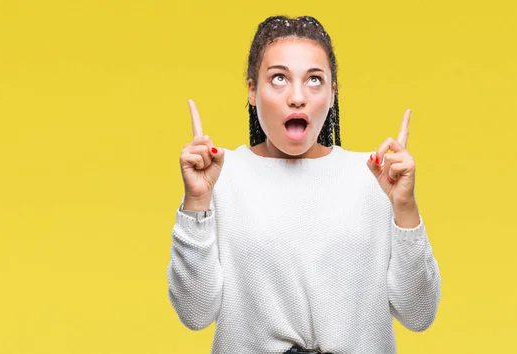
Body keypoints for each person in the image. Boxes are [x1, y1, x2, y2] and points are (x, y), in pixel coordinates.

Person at [166, 15, 441, 354]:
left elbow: (419, 314)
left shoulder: (376, 175)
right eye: (278, 78)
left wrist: (405, 208)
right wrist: (196, 201)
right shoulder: (220, 174)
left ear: (332, 92)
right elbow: (194, 312)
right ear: (252, 90)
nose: (297, 97)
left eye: (314, 80)